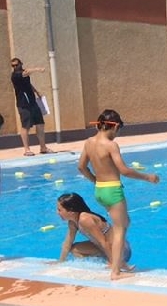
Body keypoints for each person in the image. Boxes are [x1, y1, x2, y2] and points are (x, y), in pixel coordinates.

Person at [78, 109, 160, 280]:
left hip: (100, 190)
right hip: (113, 190)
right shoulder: (110, 145)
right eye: (119, 130)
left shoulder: (89, 142)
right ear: (114, 127)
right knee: (120, 230)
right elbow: (124, 170)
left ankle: (119, 263)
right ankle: (116, 271)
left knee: (125, 222)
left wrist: (95, 180)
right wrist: (148, 177)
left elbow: (81, 167)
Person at [56, 192, 131, 267]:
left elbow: (104, 242)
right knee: (74, 249)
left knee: (78, 250)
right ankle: (100, 264)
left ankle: (115, 263)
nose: (57, 213)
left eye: (60, 210)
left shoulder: (85, 219)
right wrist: (61, 261)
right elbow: (67, 243)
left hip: (120, 250)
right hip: (106, 248)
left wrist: (113, 263)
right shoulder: (72, 222)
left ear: (71, 211)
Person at [10, 57, 53, 156]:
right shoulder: (15, 75)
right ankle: (26, 149)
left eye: (17, 65)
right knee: (26, 126)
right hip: (23, 105)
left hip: (33, 103)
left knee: (40, 124)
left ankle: (43, 147)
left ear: (21, 63)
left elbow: (28, 84)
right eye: (13, 66)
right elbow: (26, 73)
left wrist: (37, 92)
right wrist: (38, 69)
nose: (15, 67)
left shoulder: (24, 73)